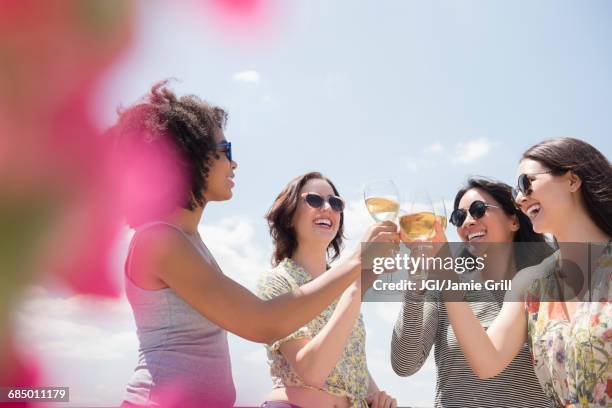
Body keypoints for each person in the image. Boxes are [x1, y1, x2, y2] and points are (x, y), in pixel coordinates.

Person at [112, 82, 399, 407]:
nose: (234, 164)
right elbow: (263, 321)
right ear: (185, 156)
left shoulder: (189, 241)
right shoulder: (160, 241)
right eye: (226, 151)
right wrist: (356, 263)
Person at [443, 138, 611, 407]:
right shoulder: (531, 283)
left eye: (526, 183)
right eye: (515, 193)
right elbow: (487, 362)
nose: (520, 199)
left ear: (571, 180)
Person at [391, 177, 553, 407]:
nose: (467, 222)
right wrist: (417, 278)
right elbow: (405, 364)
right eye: (458, 217)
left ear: (514, 221)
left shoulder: (545, 287)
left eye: (478, 210)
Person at [257, 172, 397, 408]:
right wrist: (357, 284)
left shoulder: (344, 285)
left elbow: (348, 360)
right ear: (289, 215)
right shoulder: (276, 282)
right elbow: (312, 371)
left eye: (335, 203)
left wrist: (376, 397)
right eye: (314, 200)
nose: (327, 208)